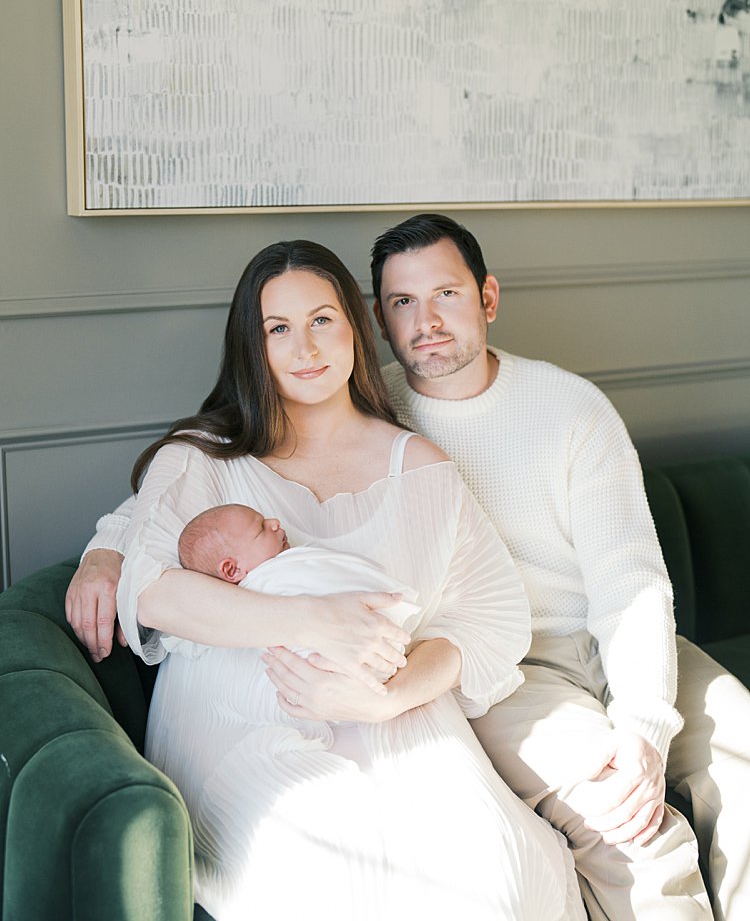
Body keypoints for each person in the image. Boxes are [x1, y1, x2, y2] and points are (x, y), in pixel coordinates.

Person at [68, 216, 750, 920]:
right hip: (397, 697)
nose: (426, 323)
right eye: (403, 302)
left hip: (544, 660)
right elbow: (166, 537)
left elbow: (598, 592)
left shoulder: (510, 425)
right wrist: (107, 551)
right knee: (624, 831)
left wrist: (641, 726)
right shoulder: (277, 431)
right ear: (379, 320)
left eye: (445, 295)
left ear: (485, 297)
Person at [99, 240, 584, 920]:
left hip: (398, 719)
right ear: (252, 346)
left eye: (322, 320)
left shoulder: (418, 466)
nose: (305, 348)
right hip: (244, 726)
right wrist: (313, 619)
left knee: (499, 877)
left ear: (355, 327)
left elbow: (487, 621)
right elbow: (148, 588)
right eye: (278, 328)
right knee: (335, 872)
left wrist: (389, 699)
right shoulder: (202, 459)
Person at [171, 502, 420, 680]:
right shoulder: (261, 593)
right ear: (232, 569)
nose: (274, 522)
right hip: (343, 665)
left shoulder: (283, 565)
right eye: (260, 529)